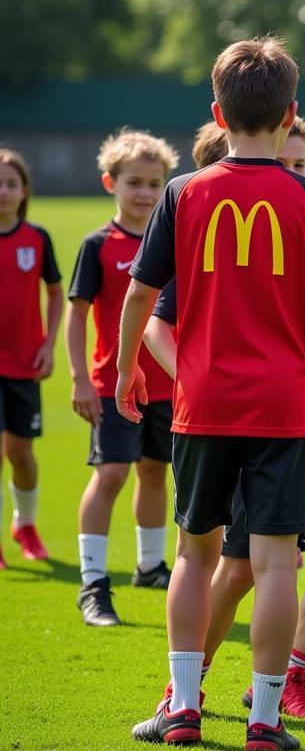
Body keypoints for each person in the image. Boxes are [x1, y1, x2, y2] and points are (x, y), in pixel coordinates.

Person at [117, 37, 305, 751]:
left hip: (203, 404)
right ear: (291, 115)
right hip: (287, 407)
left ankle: (184, 708)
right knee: (277, 562)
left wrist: (132, 364)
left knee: (194, 555)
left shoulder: (181, 193)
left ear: (216, 112)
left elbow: (141, 292)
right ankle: (263, 718)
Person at [145, 115, 305, 719]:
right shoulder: (225, 244)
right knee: (235, 574)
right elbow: (157, 318)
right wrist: (195, 378)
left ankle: (286, 682)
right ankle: (188, 685)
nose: (290, 174)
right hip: (262, 423)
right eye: (287, 163)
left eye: (301, 167)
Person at [66, 130, 180, 626]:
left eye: (156, 183)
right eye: (135, 182)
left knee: (155, 472)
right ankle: (93, 582)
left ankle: (151, 565)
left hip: (170, 384)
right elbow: (77, 316)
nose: (146, 194)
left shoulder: (175, 243)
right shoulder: (97, 245)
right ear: (110, 182)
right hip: (114, 384)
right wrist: (79, 379)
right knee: (111, 474)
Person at [0, 149, 63, 568]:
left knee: (21, 453)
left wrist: (48, 344)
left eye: (10, 183)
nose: (2, 192)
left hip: (24, 364)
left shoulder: (36, 239)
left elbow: (56, 292)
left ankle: (25, 524)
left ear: (23, 191)